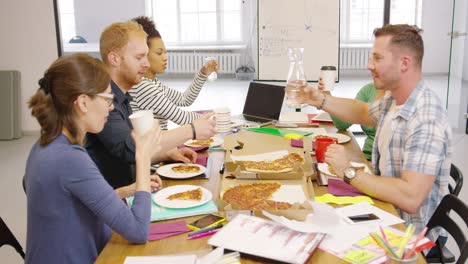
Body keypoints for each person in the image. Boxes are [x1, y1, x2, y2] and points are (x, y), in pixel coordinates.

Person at [303, 24, 451, 242]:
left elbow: (410, 197)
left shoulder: (426, 117)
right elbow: (363, 112)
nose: (369, 65)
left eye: (377, 58)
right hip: (386, 210)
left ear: (404, 63)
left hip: (409, 236)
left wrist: (348, 171)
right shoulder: (394, 99)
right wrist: (322, 100)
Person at [25, 53, 163, 263]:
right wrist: (143, 156)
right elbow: (138, 231)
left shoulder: (45, 145)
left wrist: (126, 191)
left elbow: (72, 203)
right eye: (108, 98)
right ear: (82, 102)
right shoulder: (69, 158)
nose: (111, 107)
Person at [86, 21, 216, 189]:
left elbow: (129, 156)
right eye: (139, 57)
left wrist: (165, 154)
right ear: (114, 59)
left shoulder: (124, 97)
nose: (146, 64)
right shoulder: (105, 102)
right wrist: (191, 130)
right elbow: (130, 148)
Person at [130, 16, 218, 130]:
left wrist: (203, 73)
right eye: (159, 53)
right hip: (156, 147)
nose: (165, 58)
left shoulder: (153, 83)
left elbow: (184, 99)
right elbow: (183, 118)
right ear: (142, 53)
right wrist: (220, 118)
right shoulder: (143, 87)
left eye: (165, 52)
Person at [320, 82, 384, 160]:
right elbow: (343, 125)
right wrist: (327, 96)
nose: (371, 69)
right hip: (368, 156)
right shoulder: (369, 89)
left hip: (384, 162)